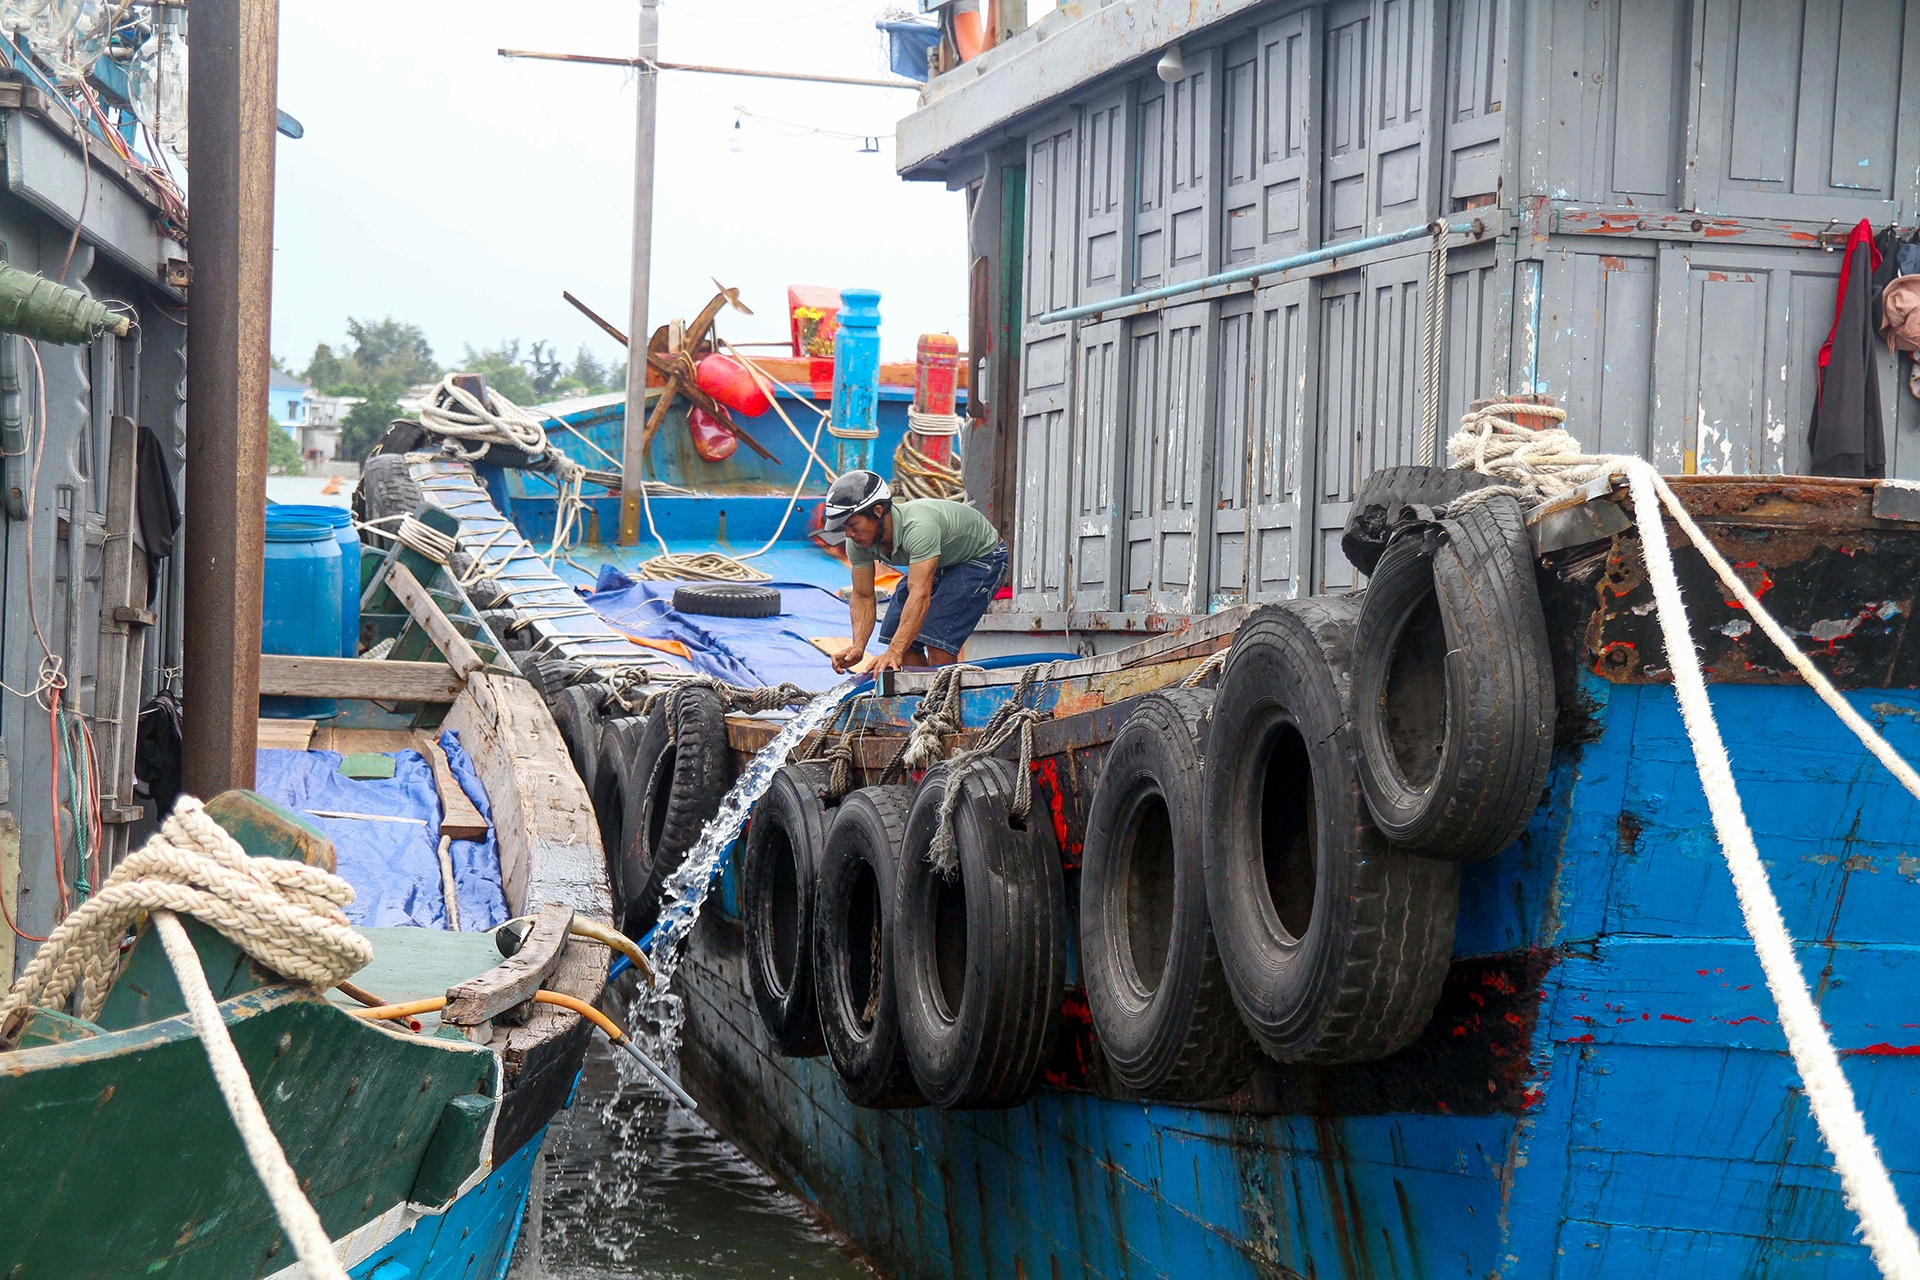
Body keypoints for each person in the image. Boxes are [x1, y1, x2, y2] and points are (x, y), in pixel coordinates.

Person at [817, 469, 1007, 675]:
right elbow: (863, 595)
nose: (849, 534)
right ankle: (921, 698)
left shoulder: (918, 528)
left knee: (937, 639)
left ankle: (944, 702)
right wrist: (858, 646)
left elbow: (920, 593)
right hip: (942, 557)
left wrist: (895, 652)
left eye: (853, 525)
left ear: (878, 511)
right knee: (894, 633)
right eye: (844, 527)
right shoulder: (857, 542)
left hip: (981, 556)